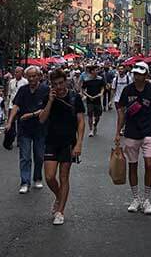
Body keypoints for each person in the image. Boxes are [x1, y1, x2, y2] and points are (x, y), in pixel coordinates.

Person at [115, 62, 151, 215]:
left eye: (140, 74)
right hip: (131, 132)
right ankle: (136, 198)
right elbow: (122, 112)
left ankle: (146, 198)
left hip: (148, 131)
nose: (137, 77)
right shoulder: (127, 90)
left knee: (149, 164)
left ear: (146, 75)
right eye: (135, 74)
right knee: (133, 166)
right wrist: (118, 132)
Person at [38, 70, 85, 225]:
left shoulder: (74, 97)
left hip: (68, 142)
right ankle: (59, 197)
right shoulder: (48, 97)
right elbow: (42, 119)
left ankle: (60, 211)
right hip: (51, 141)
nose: (59, 87)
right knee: (50, 177)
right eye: (55, 84)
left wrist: (79, 143)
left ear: (65, 81)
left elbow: (81, 122)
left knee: (64, 177)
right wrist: (50, 101)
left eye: (60, 83)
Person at [6, 66, 49, 193]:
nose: (31, 79)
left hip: (40, 128)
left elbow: (47, 109)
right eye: (29, 76)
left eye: (34, 76)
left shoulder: (45, 90)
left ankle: (37, 178)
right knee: (25, 156)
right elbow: (16, 105)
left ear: (39, 76)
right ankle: (25, 182)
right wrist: (9, 121)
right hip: (25, 128)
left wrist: (31, 115)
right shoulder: (23, 90)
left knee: (39, 156)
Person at [80, 65, 106, 137]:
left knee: (97, 116)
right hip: (89, 100)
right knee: (90, 115)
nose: (97, 71)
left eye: (97, 70)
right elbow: (83, 89)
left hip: (97, 99)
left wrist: (101, 93)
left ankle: (95, 125)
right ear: (91, 71)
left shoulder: (100, 79)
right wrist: (88, 96)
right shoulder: (86, 80)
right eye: (95, 70)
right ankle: (91, 130)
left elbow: (103, 87)